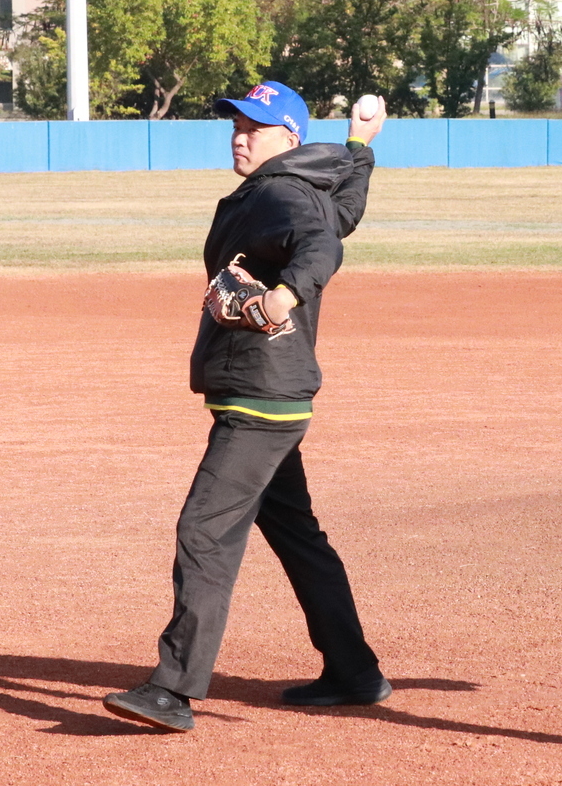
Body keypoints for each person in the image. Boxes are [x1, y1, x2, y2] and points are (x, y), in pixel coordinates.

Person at [104, 81, 391, 733]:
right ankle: (354, 671)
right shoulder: (302, 186)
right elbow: (340, 214)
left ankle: (173, 690)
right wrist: (360, 147)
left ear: (287, 139)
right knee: (296, 534)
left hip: (261, 399)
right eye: (235, 122)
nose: (239, 134)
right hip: (274, 395)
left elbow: (323, 247)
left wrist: (284, 297)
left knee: (205, 530)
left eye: (255, 126)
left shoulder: (278, 193)